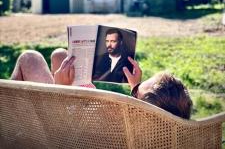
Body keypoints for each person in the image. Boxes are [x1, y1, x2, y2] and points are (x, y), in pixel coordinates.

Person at [11, 50, 192, 119]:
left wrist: (60, 89)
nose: (132, 93)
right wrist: (136, 87)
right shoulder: (152, 127)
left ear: (143, 111)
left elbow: (64, 129)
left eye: (135, 94)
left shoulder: (114, 121)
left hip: (58, 117)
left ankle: (6, 121)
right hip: (78, 114)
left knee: (29, 58)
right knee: (60, 56)